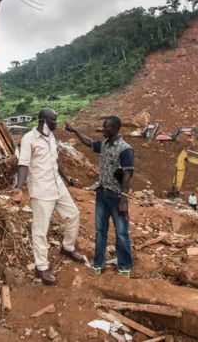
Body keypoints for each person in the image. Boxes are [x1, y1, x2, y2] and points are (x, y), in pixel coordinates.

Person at [12, 108, 85, 286]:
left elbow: (55, 161)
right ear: (44, 120)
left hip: (58, 186)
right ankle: (41, 267)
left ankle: (67, 247)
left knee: (73, 214)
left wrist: (66, 178)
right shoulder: (29, 138)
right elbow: (23, 164)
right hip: (42, 189)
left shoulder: (51, 137)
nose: (56, 123)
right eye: (54, 120)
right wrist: (19, 188)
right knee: (40, 229)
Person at [65, 116, 134, 277]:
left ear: (116, 128)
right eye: (103, 127)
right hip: (102, 195)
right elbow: (89, 142)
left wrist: (123, 199)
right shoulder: (104, 144)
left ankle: (124, 267)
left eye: (106, 128)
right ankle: (98, 263)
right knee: (100, 231)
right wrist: (75, 131)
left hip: (117, 197)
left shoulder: (125, 149)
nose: (103, 130)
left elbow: (127, 175)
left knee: (121, 233)